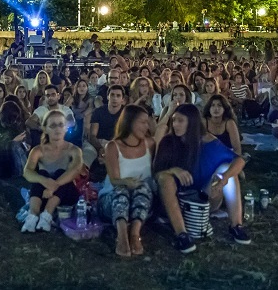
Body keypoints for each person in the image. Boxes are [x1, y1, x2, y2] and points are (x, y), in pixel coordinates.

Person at [153, 104, 249, 254]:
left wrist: (224, 177)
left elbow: (240, 160)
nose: (176, 124)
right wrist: (173, 170)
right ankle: (182, 235)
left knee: (227, 171)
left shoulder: (207, 141)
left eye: (180, 121)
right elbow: (156, 174)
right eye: (174, 120)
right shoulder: (168, 141)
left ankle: (236, 225)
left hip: (202, 200)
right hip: (173, 201)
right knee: (166, 178)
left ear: (192, 122)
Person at [97, 105, 155, 257]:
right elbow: (115, 180)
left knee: (142, 188)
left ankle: (135, 234)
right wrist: (127, 182)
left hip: (140, 201)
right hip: (112, 200)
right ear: (129, 122)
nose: (146, 126)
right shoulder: (113, 146)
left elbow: (160, 131)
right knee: (122, 189)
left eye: (147, 122)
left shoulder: (150, 144)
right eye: (142, 122)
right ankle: (122, 235)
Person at [20, 110, 84, 233]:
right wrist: (45, 181)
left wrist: (54, 186)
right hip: (44, 194)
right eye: (53, 125)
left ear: (66, 127)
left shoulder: (74, 150)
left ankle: (47, 215)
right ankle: (33, 215)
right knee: (41, 175)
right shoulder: (38, 150)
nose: (57, 129)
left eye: (61, 125)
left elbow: (75, 170)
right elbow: (27, 171)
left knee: (61, 173)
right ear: (45, 129)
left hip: (66, 194)